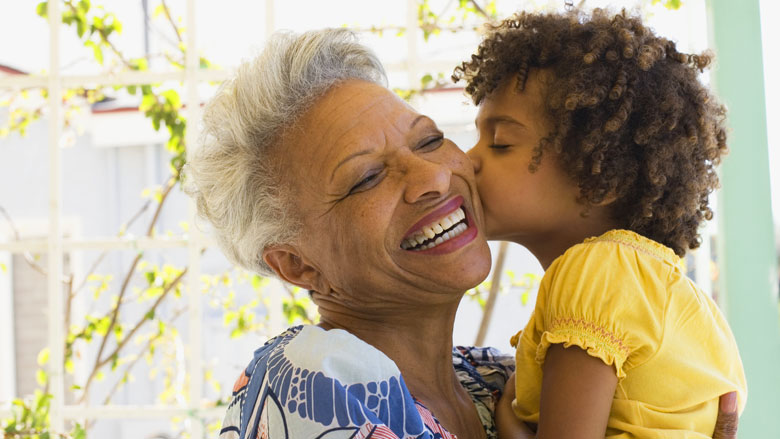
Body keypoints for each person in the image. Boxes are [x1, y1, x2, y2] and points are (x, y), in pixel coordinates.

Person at [184, 28, 740, 439]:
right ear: (295, 264)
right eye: (367, 177)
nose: (437, 175)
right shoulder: (311, 381)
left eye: (427, 141)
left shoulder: (499, 379)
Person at [455, 8, 747, 439]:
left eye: (501, 143)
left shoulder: (594, 272)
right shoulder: (670, 294)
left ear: (599, 174)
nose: (467, 160)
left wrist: (508, 424)